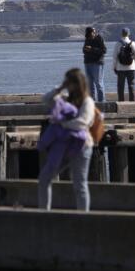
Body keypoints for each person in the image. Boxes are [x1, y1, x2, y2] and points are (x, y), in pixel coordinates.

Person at [37, 68, 94, 211]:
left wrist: (62, 124)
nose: (68, 86)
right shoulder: (64, 99)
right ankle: (44, 213)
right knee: (44, 179)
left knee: (79, 184)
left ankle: (83, 217)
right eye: (66, 82)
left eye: (70, 82)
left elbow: (83, 122)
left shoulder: (87, 101)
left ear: (78, 83)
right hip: (62, 145)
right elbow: (46, 99)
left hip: (82, 146)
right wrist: (60, 88)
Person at [113, 28, 135, 102]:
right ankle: (132, 102)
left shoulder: (118, 44)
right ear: (128, 34)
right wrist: (134, 63)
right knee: (131, 85)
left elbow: (114, 57)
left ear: (121, 34)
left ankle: (121, 102)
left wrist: (114, 67)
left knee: (120, 86)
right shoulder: (132, 43)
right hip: (131, 68)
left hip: (120, 68)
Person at [82, 26, 107, 102]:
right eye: (88, 35)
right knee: (90, 84)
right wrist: (86, 49)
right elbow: (84, 50)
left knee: (98, 83)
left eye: (90, 34)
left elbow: (104, 50)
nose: (90, 36)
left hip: (97, 63)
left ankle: (101, 102)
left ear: (94, 32)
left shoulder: (99, 38)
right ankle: (92, 101)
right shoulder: (87, 38)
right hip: (88, 63)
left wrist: (92, 49)